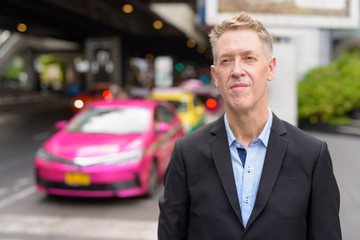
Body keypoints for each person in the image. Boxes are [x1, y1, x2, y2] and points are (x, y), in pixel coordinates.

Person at [158, 12, 341, 240]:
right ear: (216, 75)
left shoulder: (312, 155)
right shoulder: (187, 154)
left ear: (270, 68)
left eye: (249, 58)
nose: (237, 70)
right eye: (226, 60)